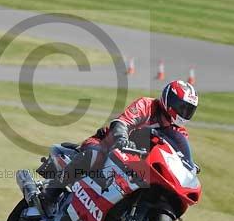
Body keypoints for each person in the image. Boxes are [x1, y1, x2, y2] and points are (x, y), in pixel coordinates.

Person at [43, 80, 198, 205]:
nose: (184, 113)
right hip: (105, 144)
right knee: (93, 156)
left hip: (136, 165)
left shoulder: (179, 132)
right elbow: (122, 122)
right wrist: (122, 139)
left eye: (189, 109)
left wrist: (188, 167)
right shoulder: (147, 105)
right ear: (169, 100)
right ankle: (51, 192)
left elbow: (179, 154)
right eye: (182, 107)